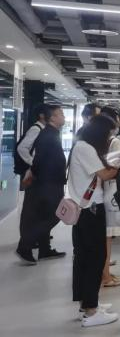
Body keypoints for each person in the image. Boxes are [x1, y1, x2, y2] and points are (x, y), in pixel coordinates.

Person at [69, 114, 120, 327]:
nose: (109, 138)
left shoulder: (81, 146)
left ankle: (87, 304)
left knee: (84, 257)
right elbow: (105, 175)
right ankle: (91, 311)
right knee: (95, 258)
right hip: (91, 210)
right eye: (108, 134)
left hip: (83, 209)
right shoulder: (86, 148)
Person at [15, 104, 67, 264]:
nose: (64, 116)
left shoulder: (51, 133)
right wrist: (36, 173)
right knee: (53, 215)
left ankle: (44, 249)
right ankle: (25, 245)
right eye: (61, 114)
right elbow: (38, 159)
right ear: (52, 118)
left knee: (45, 215)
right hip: (47, 184)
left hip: (50, 182)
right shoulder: (47, 134)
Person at [99, 105, 120, 288]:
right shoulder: (114, 141)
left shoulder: (96, 140)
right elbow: (116, 167)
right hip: (110, 190)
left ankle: (104, 271)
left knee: (104, 236)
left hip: (99, 191)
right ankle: (106, 276)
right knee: (107, 236)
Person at [15, 103, 49, 189]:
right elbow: (21, 148)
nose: (51, 115)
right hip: (33, 171)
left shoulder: (43, 129)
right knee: (33, 192)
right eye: (49, 113)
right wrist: (33, 162)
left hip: (38, 170)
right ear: (41, 115)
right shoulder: (36, 129)